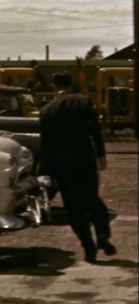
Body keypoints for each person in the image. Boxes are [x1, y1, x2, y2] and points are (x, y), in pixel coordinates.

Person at [39, 72, 115, 263]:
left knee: (73, 208)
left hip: (62, 165)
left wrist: (47, 171)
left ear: (54, 86)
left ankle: (88, 246)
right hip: (84, 160)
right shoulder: (82, 102)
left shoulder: (46, 111)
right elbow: (94, 129)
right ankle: (102, 234)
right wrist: (101, 154)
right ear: (70, 84)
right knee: (93, 200)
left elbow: (46, 145)